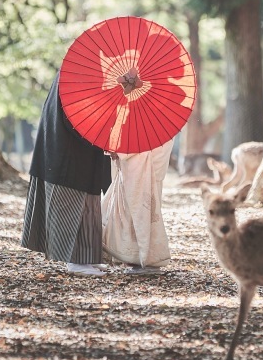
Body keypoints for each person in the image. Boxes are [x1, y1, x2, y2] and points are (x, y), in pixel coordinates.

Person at [21, 73, 112, 277]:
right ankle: (75, 261)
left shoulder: (78, 71)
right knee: (72, 205)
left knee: (88, 205)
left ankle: (87, 257)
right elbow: (77, 114)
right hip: (68, 150)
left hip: (79, 149)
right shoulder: (76, 74)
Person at [102, 138, 174, 275]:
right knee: (135, 212)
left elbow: (141, 139)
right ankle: (135, 256)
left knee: (142, 212)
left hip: (144, 163)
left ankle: (147, 259)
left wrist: (120, 150)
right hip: (143, 162)